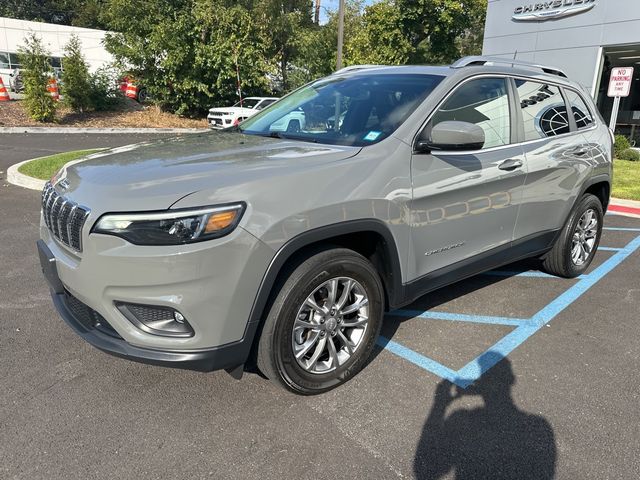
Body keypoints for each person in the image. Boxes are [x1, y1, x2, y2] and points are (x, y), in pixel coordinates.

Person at [414, 351, 556, 479]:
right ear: (511, 379)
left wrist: (439, 405)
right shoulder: (540, 426)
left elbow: (425, 471)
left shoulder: (461, 419)